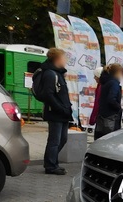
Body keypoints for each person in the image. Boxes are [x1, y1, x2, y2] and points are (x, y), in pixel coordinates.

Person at [40, 47, 72, 175]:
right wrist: (59, 108)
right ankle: (50, 165)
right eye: (64, 58)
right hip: (55, 113)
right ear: (58, 59)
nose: (65, 60)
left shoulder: (58, 73)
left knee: (62, 139)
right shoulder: (50, 74)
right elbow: (49, 94)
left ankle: (52, 161)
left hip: (62, 113)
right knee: (54, 140)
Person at [95, 63, 123, 138]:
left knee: (101, 137)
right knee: (111, 138)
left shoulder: (105, 82)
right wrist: (118, 107)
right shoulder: (114, 83)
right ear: (117, 72)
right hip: (111, 116)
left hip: (102, 114)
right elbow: (111, 99)